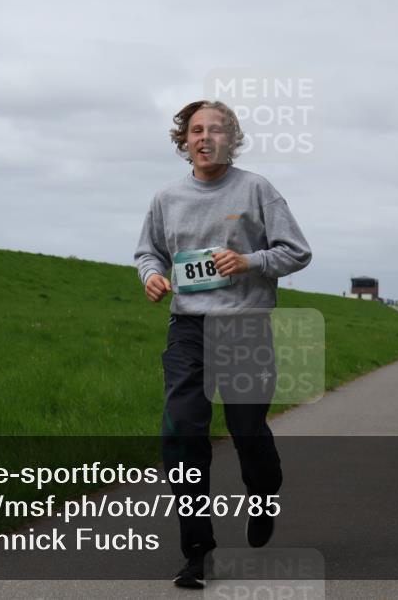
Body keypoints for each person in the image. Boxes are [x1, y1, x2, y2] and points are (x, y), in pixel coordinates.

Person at [135, 100, 312, 589]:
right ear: (184, 140)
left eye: (216, 129)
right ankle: (198, 552)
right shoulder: (166, 198)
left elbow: (297, 251)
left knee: (246, 429)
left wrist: (249, 262)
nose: (205, 137)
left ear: (231, 140)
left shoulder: (256, 189)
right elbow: (148, 250)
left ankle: (263, 490)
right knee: (182, 435)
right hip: (188, 329)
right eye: (196, 130)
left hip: (245, 326)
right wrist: (151, 275)